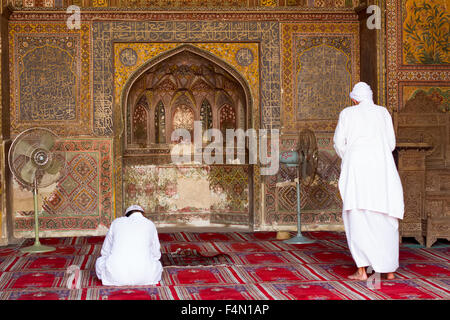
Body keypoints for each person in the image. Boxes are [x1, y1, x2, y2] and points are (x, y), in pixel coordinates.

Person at [333, 82, 404, 281]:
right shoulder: (383, 113)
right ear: (370, 97)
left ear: (354, 99)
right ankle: (389, 271)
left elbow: (339, 143)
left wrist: (352, 157)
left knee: (358, 217)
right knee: (384, 216)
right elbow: (391, 144)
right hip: (382, 170)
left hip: (357, 172)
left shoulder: (347, 113)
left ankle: (362, 271)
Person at [95, 205, 163, 286]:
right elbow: (156, 255)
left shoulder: (116, 222)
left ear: (126, 215)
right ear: (143, 214)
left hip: (115, 276)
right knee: (157, 264)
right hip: (145, 276)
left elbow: (105, 252)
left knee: (99, 262)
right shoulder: (150, 224)